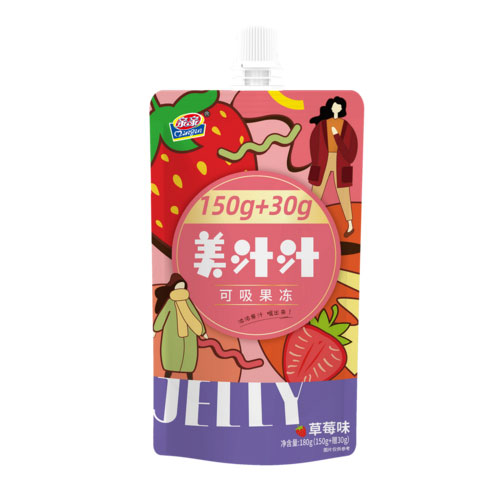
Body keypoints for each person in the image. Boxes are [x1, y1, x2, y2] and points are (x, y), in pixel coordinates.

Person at [308, 96, 358, 237]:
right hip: (323, 161)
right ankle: (308, 221)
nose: (336, 108)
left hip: (341, 162)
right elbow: (314, 143)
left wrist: (337, 136)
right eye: (334, 105)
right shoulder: (322, 125)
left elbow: (351, 152)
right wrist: (316, 160)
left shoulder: (346, 127)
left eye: (339, 106)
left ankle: (350, 224)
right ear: (331, 107)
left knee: (344, 193)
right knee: (316, 190)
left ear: (342, 109)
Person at [153, 273, 207, 379]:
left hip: (189, 335)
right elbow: (162, 316)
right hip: (172, 334)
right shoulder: (170, 303)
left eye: (182, 287)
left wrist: (202, 331)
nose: (180, 290)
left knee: (188, 360)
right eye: (178, 287)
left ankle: (190, 379)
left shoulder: (188, 302)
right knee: (171, 360)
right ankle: (167, 378)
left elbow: (195, 316)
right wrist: (155, 329)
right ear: (173, 288)